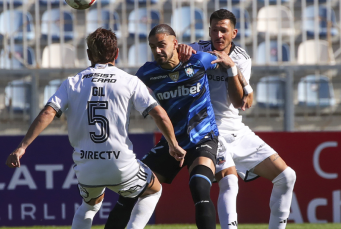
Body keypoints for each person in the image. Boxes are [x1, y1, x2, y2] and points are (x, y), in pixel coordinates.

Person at [5, 28, 186, 229]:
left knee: (89, 206)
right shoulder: (129, 81)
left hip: (87, 165)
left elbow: (47, 113)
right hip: (121, 164)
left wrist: (22, 147)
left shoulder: (72, 82)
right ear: (117, 53)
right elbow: (159, 114)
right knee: (153, 190)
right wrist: (173, 144)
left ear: (89, 54)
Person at [105, 24, 247, 229]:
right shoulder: (147, 72)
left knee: (199, 187)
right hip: (171, 143)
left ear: (175, 43)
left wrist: (239, 76)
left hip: (203, 138)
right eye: (153, 47)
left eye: (162, 45)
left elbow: (225, 60)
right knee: (131, 190)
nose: (157, 51)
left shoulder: (199, 61)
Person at [178, 9, 297, 229]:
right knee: (230, 181)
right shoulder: (197, 50)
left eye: (223, 30)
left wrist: (230, 68)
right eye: (214, 30)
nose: (218, 35)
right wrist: (180, 51)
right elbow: (170, 57)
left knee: (287, 177)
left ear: (234, 32)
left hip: (236, 130)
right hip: (208, 130)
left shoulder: (242, 59)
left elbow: (238, 102)